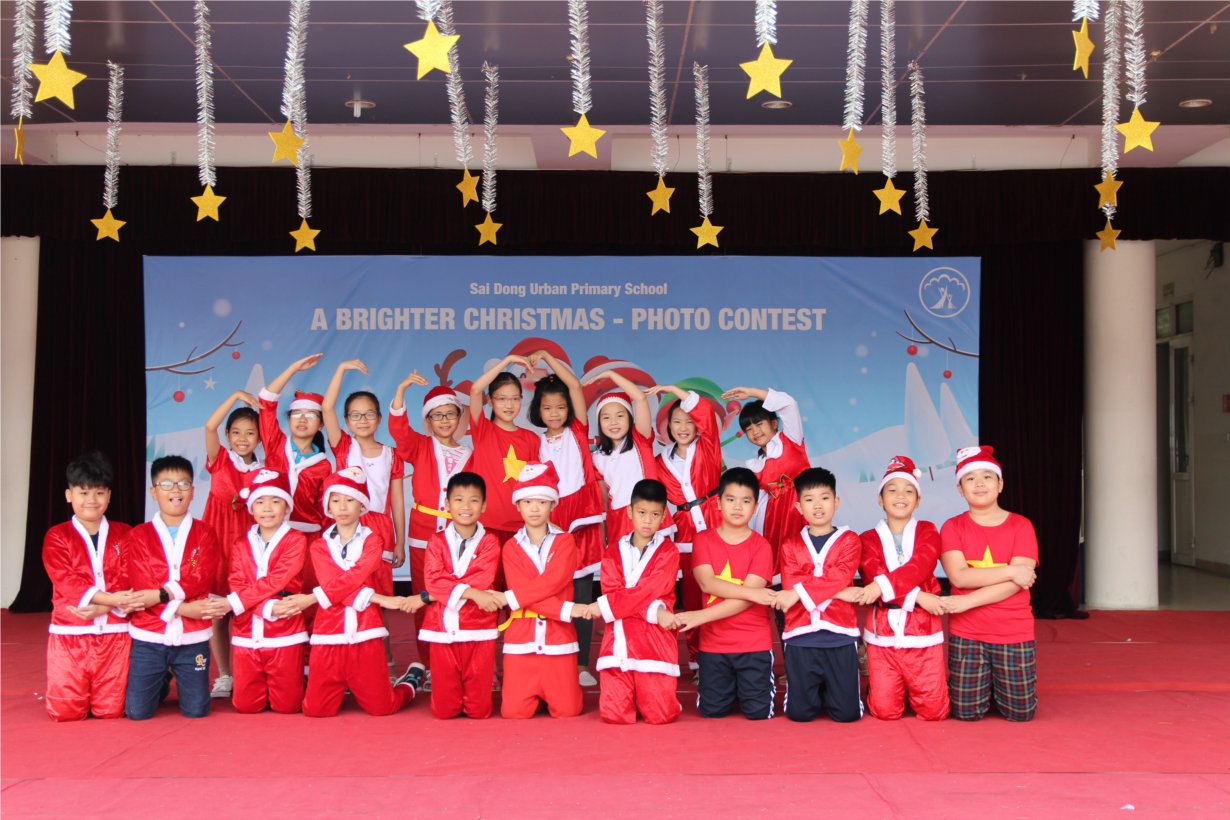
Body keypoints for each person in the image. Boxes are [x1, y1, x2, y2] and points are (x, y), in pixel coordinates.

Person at [289, 468, 425, 717]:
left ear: (362, 505)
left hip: (366, 634)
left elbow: (354, 577)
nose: (342, 507)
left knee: (383, 708)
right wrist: (379, 598)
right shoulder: (319, 546)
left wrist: (313, 597)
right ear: (328, 506)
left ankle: (409, 682)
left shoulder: (374, 541)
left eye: (350, 499)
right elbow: (334, 584)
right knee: (315, 710)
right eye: (335, 500)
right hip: (328, 636)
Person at [939, 446, 1039, 722]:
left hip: (1013, 631)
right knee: (965, 713)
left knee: (1021, 714)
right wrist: (1012, 570)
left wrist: (967, 601)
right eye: (970, 478)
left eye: (987, 476)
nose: (979, 483)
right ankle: (988, 685)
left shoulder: (1021, 525)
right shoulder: (952, 527)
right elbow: (959, 576)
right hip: (967, 632)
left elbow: (1020, 582)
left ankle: (998, 686)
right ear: (960, 489)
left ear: (1000, 484)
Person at [389, 372, 473, 692]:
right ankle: (428, 663)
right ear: (428, 421)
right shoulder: (420, 446)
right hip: (422, 534)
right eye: (437, 415)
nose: (444, 420)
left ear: (459, 417)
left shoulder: (469, 454)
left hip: (458, 536)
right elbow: (398, 430)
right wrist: (401, 388)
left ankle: (456, 659)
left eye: (450, 414)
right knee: (424, 597)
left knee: (455, 597)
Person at [121, 455, 222, 720]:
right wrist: (184, 609)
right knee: (137, 712)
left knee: (197, 710)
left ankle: (171, 674)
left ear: (192, 491)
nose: (175, 490)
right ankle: (161, 679)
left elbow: (202, 578)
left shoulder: (205, 532)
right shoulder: (139, 535)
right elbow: (142, 587)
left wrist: (162, 595)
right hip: (149, 636)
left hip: (192, 637)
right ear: (154, 492)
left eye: (183, 484)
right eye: (166, 484)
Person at [201, 469, 309, 714]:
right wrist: (267, 607)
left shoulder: (296, 540)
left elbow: (277, 580)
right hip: (246, 635)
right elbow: (237, 584)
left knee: (287, 706)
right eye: (259, 502)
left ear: (287, 507)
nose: (267, 508)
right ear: (251, 508)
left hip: (284, 633)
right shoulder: (240, 544)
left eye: (275, 501)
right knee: (245, 706)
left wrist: (234, 603)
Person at [527, 349, 605, 688]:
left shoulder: (578, 431)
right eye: (547, 407)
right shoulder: (534, 444)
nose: (555, 413)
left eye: (560, 407)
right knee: (552, 592)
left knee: (582, 593)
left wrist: (547, 357)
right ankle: (554, 659)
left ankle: (582, 664)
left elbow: (574, 385)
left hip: (581, 517)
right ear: (538, 410)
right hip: (551, 519)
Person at [323, 359, 406, 677]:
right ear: (346, 421)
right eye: (355, 415)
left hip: (380, 530)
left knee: (378, 597)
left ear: (379, 418)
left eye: (369, 414)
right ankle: (346, 666)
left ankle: (385, 665)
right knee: (345, 594)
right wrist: (341, 369)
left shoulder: (391, 454)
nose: (362, 420)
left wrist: (399, 541)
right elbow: (326, 407)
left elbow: (396, 500)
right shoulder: (344, 447)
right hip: (346, 527)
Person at [42, 452, 138, 721]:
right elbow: (66, 580)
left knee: (111, 711)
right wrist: (109, 601)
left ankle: (155, 681)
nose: (91, 500)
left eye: (99, 492)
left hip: (116, 635)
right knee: (64, 712)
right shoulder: (57, 535)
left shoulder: (125, 533)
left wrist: (105, 607)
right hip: (70, 634)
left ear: (109, 496)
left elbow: (130, 576)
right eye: (83, 492)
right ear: (69, 495)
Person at [488, 462, 587, 719]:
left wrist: (509, 598)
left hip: (558, 639)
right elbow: (527, 592)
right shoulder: (511, 547)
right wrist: (568, 609)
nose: (534, 508)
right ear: (518, 505)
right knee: (513, 712)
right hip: (521, 639)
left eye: (542, 502)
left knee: (568, 711)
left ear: (553, 505)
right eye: (527, 502)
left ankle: (547, 695)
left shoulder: (565, 541)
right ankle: (539, 695)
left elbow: (553, 582)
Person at [677, 468, 777, 720]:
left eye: (746, 501)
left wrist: (700, 617)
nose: (738, 507)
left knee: (758, 714)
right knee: (712, 712)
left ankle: (743, 688)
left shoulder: (762, 546)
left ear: (755, 507)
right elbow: (707, 584)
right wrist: (754, 594)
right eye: (731, 499)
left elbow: (746, 601)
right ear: (718, 503)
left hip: (754, 644)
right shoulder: (703, 539)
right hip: (714, 645)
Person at [855, 456, 949, 721]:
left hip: (923, 631)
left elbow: (920, 566)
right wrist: (919, 597)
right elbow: (874, 575)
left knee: (935, 712)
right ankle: (881, 686)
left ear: (917, 501)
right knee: (885, 712)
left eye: (909, 491)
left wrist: (882, 587)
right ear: (880, 499)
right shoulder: (867, 539)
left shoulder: (928, 530)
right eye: (892, 490)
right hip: (883, 632)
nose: (900, 496)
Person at [257, 355, 334, 668]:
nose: (302, 420)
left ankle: (307, 664)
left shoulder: (324, 465)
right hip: (270, 536)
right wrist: (292, 369)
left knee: (308, 597)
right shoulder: (275, 444)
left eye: (311, 415)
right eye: (297, 414)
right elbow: (266, 401)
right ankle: (275, 659)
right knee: (272, 595)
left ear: (321, 424)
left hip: (308, 539)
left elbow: (325, 513)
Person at [587, 479, 682, 725]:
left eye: (655, 514)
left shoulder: (669, 552)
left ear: (664, 516)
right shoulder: (612, 552)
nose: (647, 520)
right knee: (614, 715)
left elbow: (646, 592)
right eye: (641, 513)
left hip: (653, 644)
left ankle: (652, 696)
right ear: (630, 512)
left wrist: (608, 606)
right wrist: (656, 612)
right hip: (618, 646)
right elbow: (612, 593)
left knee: (661, 716)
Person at [774, 467, 864, 723]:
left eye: (824, 498)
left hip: (840, 635)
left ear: (836, 502)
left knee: (847, 714)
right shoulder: (790, 544)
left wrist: (799, 593)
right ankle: (820, 690)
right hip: (800, 635)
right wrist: (842, 593)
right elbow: (792, 582)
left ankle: (831, 690)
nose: (817, 505)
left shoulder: (850, 540)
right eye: (809, 499)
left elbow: (840, 576)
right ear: (799, 507)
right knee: (799, 714)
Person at [410, 472, 502, 719]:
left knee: (479, 711)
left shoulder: (490, 542)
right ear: (447, 504)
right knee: (443, 711)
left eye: (474, 500)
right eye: (459, 499)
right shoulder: (436, 541)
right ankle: (410, 681)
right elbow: (433, 581)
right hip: (441, 627)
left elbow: (482, 577)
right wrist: (473, 593)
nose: (466, 506)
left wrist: (453, 585)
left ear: (484, 506)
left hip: (478, 628)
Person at [648, 383, 724, 682]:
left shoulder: (708, 445)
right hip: (684, 536)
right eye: (676, 422)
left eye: (689, 421)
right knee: (692, 601)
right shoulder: (658, 462)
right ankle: (699, 662)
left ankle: (727, 658)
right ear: (668, 426)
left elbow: (705, 412)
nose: (682, 427)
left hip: (718, 528)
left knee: (722, 596)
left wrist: (673, 390)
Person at [200, 390, 263, 699]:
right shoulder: (220, 459)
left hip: (248, 546)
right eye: (236, 432)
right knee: (218, 614)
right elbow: (209, 426)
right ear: (227, 435)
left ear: (260, 438)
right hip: (217, 544)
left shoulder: (264, 471)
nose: (242, 438)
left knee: (247, 611)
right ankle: (225, 675)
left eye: (250, 433)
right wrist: (236, 395)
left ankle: (250, 672)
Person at [721, 386, 810, 583]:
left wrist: (751, 392)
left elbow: (789, 404)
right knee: (778, 567)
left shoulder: (791, 440)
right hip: (774, 522)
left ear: (774, 423)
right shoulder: (756, 466)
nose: (755, 431)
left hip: (801, 512)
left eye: (759, 424)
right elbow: (758, 506)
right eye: (748, 429)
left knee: (806, 560)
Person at [584, 370, 671, 551]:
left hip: (648, 512)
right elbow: (604, 502)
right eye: (606, 417)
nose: (613, 422)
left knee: (654, 562)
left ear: (630, 418)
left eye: (620, 415)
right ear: (599, 423)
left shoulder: (640, 440)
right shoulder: (597, 457)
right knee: (624, 565)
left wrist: (611, 375)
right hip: (617, 519)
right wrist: (603, 534)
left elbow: (640, 398)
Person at [467, 354, 543, 546]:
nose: (509, 405)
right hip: (486, 526)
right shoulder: (483, 431)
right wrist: (508, 361)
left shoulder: (531, 439)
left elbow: (534, 486)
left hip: (521, 528)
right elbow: (475, 389)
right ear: (490, 400)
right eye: (502, 399)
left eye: (515, 399)